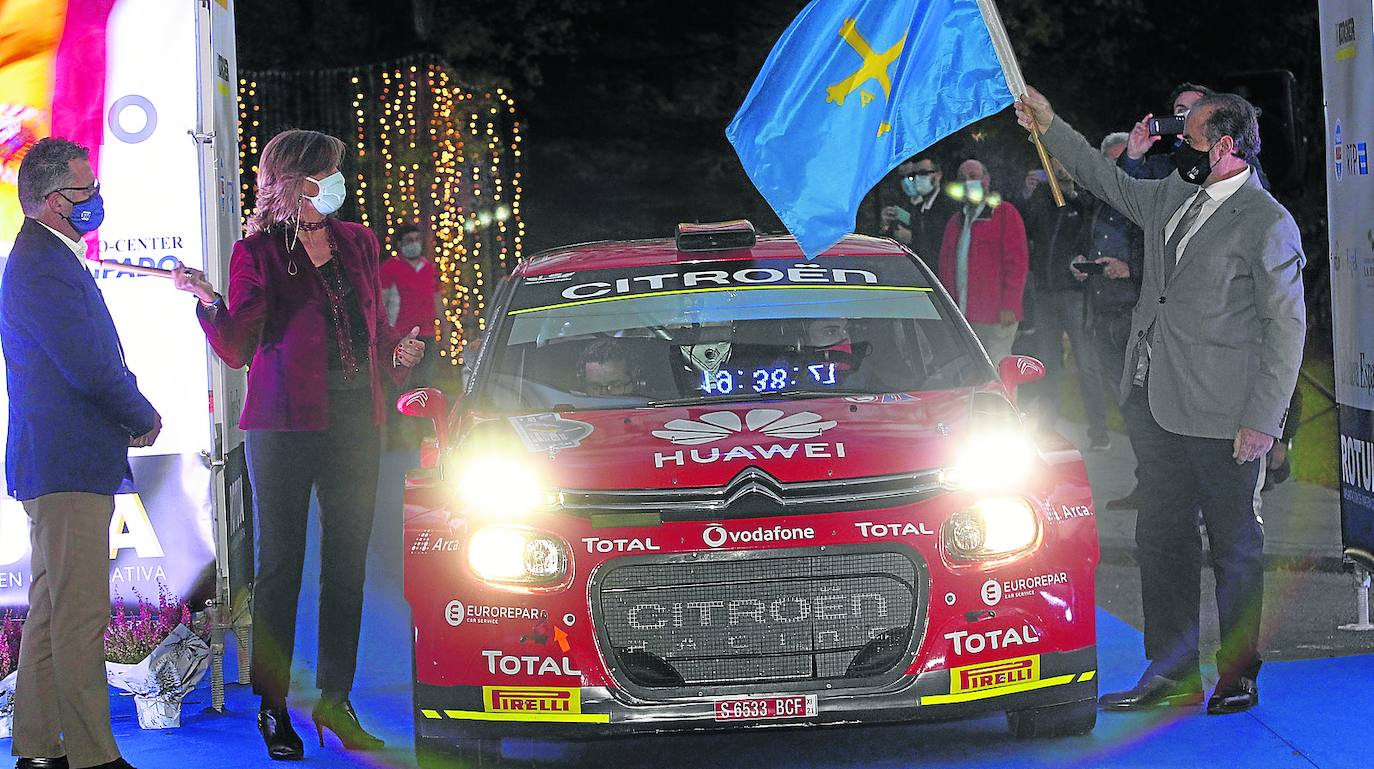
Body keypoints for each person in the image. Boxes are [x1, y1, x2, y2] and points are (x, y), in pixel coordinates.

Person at [1017, 87, 1305, 715]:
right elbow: (1102, 177)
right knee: (1161, 539)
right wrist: (1051, 122)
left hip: (1225, 416)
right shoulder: (1174, 193)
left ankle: (1237, 673)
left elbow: (1286, 330)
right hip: (1154, 402)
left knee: (1234, 545)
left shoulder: (1266, 222)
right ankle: (1171, 671)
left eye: (1193, 139)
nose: (1181, 148)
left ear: (1227, 146)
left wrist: (1263, 422)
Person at [171, 129, 425, 759]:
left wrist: (398, 355)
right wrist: (208, 302)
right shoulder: (256, 252)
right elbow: (237, 348)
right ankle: (274, 706)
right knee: (279, 569)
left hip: (355, 423)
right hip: (282, 425)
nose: (339, 180)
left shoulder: (357, 241)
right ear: (298, 181)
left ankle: (337, 702)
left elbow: (374, 332)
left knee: (348, 568)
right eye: (329, 171)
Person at [3, 138, 158, 769]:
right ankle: (94, 757)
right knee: (80, 614)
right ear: (46, 201)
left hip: (63, 460)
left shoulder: (49, 257)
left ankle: (39, 750)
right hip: (67, 461)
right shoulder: (41, 264)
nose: (95, 200)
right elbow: (88, 365)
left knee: (51, 610)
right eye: (82, 191)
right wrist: (140, 413)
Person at [1075, 133, 1146, 487]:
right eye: (1112, 163)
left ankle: (1155, 485)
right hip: (1102, 312)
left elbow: (1166, 254)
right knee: (1126, 404)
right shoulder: (1098, 205)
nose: (1119, 171)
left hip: (1134, 314)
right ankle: (1145, 483)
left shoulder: (1145, 203)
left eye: (1125, 162)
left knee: (1142, 406)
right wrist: (1081, 262)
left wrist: (1129, 268)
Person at [1022, 160, 1110, 450]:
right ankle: (1048, 426)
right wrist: (1030, 193)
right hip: (1045, 293)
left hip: (1074, 294)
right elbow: (1028, 228)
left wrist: (1071, 191)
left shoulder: (1085, 202)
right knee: (1047, 363)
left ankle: (1099, 431)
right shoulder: (1044, 202)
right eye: (1054, 169)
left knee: (1087, 363)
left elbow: (1092, 233)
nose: (1059, 173)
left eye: (1063, 168)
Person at [936, 159, 1029, 362]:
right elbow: (945, 266)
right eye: (963, 179)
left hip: (996, 312)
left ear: (986, 180)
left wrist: (1010, 304)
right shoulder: (956, 221)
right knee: (971, 367)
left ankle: (1004, 396)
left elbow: (1017, 264)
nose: (968, 182)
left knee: (998, 365)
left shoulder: (1005, 213)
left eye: (973, 177)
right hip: (964, 311)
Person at [379, 222, 445, 384]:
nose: (414, 244)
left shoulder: (429, 267)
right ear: (400, 244)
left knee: (423, 385)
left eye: (417, 239)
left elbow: (437, 299)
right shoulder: (389, 268)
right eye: (409, 240)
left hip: (427, 334)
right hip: (400, 336)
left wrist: (445, 328)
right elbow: (382, 301)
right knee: (399, 385)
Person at [879, 156, 957, 263]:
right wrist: (886, 226)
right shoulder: (919, 207)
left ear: (938, 175)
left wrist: (913, 238)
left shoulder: (948, 206)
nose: (917, 179)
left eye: (923, 173)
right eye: (914, 175)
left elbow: (941, 243)